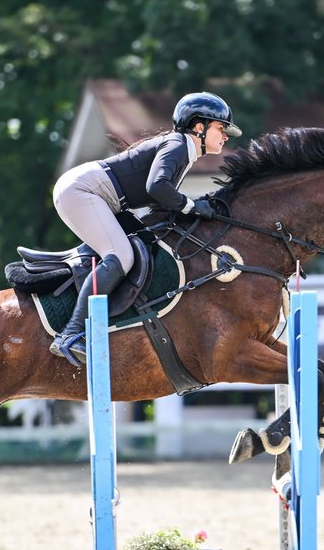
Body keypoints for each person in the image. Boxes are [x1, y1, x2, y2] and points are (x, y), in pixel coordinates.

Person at [48, 91, 242, 364]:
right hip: (84, 191)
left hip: (99, 195)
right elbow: (157, 187)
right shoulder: (178, 144)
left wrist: (190, 208)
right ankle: (70, 334)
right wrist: (192, 206)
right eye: (221, 128)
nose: (225, 136)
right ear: (199, 127)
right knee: (122, 256)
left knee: (138, 247)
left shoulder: (184, 150)